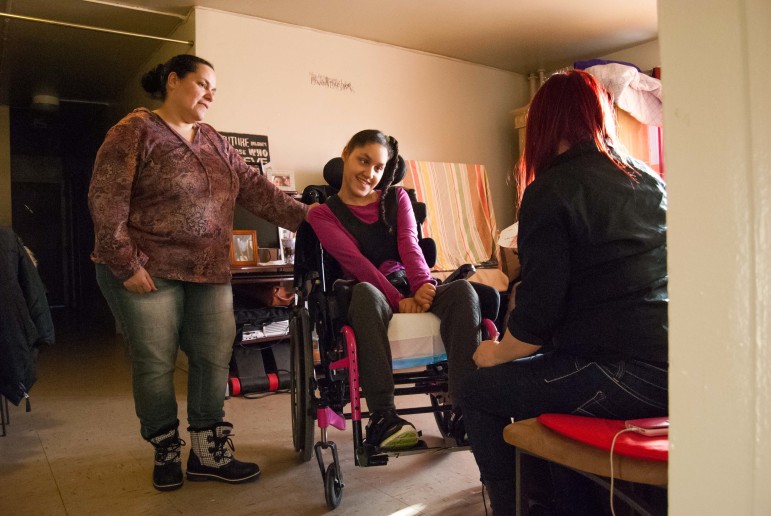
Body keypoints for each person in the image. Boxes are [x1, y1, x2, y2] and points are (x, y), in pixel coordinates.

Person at [88, 54, 310, 492]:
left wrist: (320, 220)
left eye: (214, 89)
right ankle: (166, 449)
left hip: (209, 271)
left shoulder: (214, 140)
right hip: (148, 271)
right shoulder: (134, 131)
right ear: (173, 81)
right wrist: (124, 263)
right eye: (203, 83)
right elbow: (105, 199)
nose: (210, 94)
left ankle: (209, 452)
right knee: (155, 364)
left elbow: (260, 192)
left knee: (212, 360)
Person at [460, 70, 668, 515]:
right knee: (549, 376)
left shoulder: (550, 190)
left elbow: (537, 319)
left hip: (620, 374)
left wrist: (496, 353)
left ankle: (511, 509)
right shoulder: (650, 181)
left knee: (478, 391)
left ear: (544, 125)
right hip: (674, 371)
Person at [307, 129, 498, 450]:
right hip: (368, 293)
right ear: (345, 154)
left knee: (464, 290)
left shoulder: (397, 198)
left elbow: (410, 244)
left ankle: (467, 408)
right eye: (363, 161)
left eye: (378, 168)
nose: (370, 174)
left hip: (408, 284)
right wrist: (401, 301)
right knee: (366, 291)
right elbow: (356, 262)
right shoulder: (324, 214)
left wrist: (423, 286)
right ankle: (383, 417)